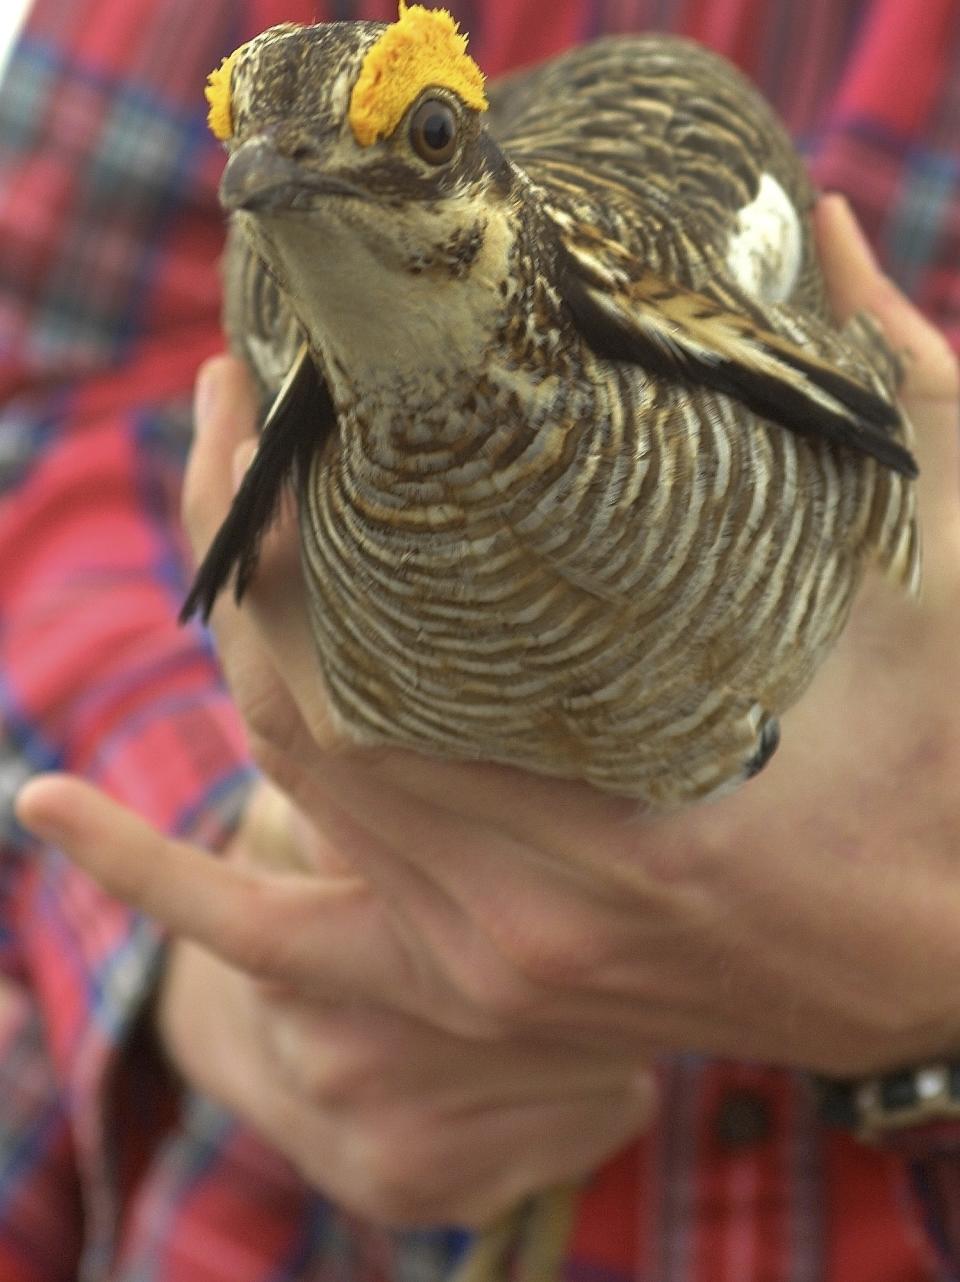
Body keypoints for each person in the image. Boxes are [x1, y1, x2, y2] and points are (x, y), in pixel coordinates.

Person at [1, 1, 958, 1280]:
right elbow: (54, 390)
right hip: (324, 1210)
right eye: (253, 152)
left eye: (426, 135)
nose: (274, 177)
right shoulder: (290, 294)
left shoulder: (712, 202)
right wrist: (240, 901)